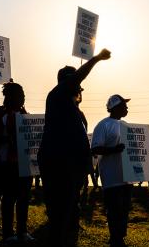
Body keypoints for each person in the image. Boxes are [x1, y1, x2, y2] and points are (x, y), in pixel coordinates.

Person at [38, 48, 111, 246]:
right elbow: (76, 78)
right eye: (75, 83)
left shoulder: (76, 111)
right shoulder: (56, 96)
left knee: (70, 212)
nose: (78, 87)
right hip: (58, 164)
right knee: (60, 213)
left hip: (73, 169)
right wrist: (96, 58)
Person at [0, 82, 34, 243]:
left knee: (24, 198)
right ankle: (8, 233)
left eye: (23, 94)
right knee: (9, 198)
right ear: (11, 97)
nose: (23, 97)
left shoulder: (26, 115)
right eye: (20, 94)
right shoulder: (0, 116)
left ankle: (22, 231)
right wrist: (7, 139)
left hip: (24, 164)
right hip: (7, 164)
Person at [91, 94, 132, 247]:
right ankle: (115, 239)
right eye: (124, 105)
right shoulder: (103, 125)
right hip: (112, 178)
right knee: (115, 210)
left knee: (124, 209)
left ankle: (119, 238)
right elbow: (95, 149)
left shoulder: (126, 125)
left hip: (127, 177)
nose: (127, 108)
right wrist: (114, 150)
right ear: (115, 107)